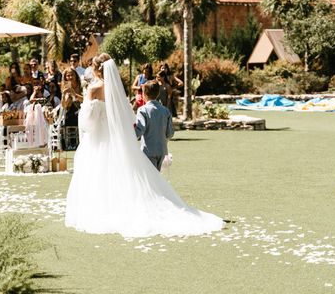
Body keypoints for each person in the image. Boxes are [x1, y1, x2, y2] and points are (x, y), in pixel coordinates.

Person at [65, 53, 224, 237]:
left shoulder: (94, 89)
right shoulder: (116, 89)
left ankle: (104, 209)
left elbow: (88, 122)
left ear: (97, 69)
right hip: (115, 137)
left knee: (98, 172)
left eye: (92, 66)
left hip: (98, 138)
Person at [134, 81, 174, 171]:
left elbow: (139, 131)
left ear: (144, 94)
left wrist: (130, 130)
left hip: (148, 150)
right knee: (156, 176)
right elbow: (170, 133)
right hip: (162, 150)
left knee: (150, 179)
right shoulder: (165, 111)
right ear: (158, 93)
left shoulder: (142, 110)